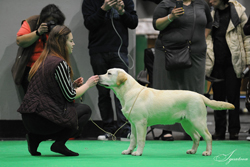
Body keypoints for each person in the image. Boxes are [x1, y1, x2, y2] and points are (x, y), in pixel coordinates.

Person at [17, 25, 99, 156]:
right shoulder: (59, 63)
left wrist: (71, 84)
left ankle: (35, 138)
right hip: (41, 119)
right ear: (62, 42)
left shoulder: (42, 60)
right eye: (70, 40)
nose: (74, 43)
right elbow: (70, 95)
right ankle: (59, 144)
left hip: (29, 119)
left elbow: (50, 89)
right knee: (84, 110)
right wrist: (88, 84)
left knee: (68, 111)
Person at [152, 0, 212, 141]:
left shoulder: (202, 4)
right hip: (169, 52)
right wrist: (171, 16)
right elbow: (156, 25)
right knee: (168, 90)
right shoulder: (165, 4)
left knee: (194, 91)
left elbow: (209, 23)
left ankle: (194, 129)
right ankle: (166, 129)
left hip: (196, 54)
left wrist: (201, 39)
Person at [82, 0, 138, 140]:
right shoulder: (90, 2)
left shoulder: (126, 1)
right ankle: (108, 130)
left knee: (123, 92)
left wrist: (122, 12)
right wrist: (103, 9)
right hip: (98, 51)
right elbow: (89, 23)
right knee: (103, 92)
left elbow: (133, 23)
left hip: (119, 51)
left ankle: (125, 129)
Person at [206, 0, 250, 140]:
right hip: (216, 62)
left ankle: (234, 131)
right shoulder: (209, 13)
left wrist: (249, 61)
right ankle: (219, 131)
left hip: (234, 62)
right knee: (218, 98)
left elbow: (247, 37)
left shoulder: (239, 12)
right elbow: (206, 37)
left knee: (233, 98)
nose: (210, 1)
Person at [16, 4, 65, 93]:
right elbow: (19, 41)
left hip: (52, 69)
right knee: (34, 101)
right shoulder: (32, 22)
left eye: (54, 22)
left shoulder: (59, 27)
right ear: (42, 19)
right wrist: (38, 32)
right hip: (32, 69)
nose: (51, 24)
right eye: (48, 22)